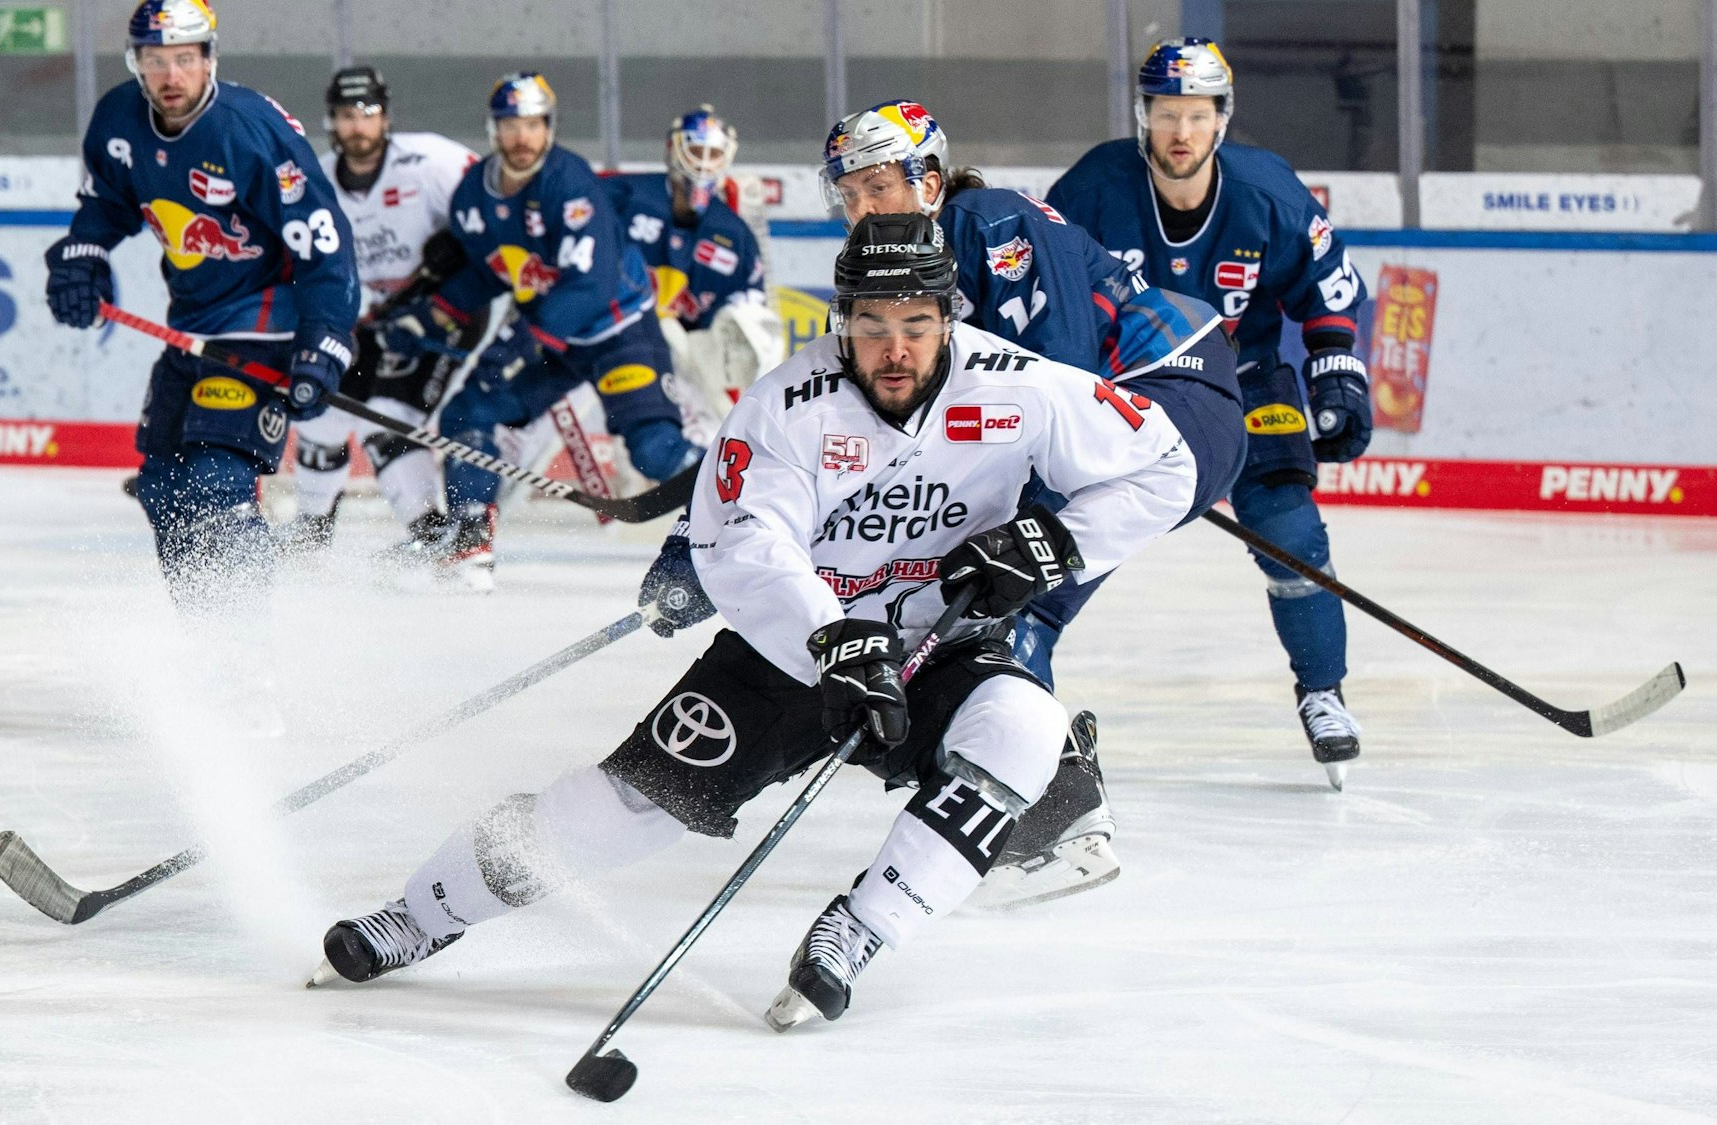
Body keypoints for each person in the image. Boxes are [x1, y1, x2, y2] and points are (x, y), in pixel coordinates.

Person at [307, 216, 1197, 1031]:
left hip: (941, 644)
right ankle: (421, 913)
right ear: (841, 319)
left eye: (917, 325)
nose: (895, 348)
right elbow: (745, 542)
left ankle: (860, 929)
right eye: (872, 324)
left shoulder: (1019, 386)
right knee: (617, 811)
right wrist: (831, 634)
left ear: (949, 317)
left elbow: (1165, 463)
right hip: (793, 653)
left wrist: (1055, 540)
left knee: (1025, 727)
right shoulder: (787, 403)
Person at [640, 99, 1248, 907]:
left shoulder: (983, 222)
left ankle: (1052, 814)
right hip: (1131, 405)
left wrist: (1029, 523)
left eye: (878, 187)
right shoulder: (913, 256)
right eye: (848, 194)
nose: (862, 209)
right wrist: (708, 537)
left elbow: (1054, 383)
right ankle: (1024, 798)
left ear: (928, 179)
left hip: (1171, 394)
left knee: (999, 592)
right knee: (979, 583)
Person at [1046, 38, 1372, 786]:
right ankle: (1006, 688)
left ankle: (1323, 692)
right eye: (1167, 113)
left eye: (1197, 115)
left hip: (1245, 382)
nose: (1181, 132)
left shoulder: (1266, 191)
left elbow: (1325, 282)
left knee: (1292, 533)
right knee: (1053, 545)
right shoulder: (1093, 189)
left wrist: (1336, 370)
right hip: (1126, 396)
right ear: (1143, 116)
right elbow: (1044, 287)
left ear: (1222, 119)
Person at [44, 0, 357, 612]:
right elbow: (107, 203)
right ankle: (206, 636)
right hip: (191, 327)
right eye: (155, 60)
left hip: (264, 323)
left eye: (185, 59)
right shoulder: (118, 118)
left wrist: (325, 338)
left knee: (217, 481)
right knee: (163, 486)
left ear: (210, 58)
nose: (171, 76)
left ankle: (246, 640)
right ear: (136, 62)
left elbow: (324, 244)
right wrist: (82, 256)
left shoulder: (249, 130)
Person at [379, 72, 702, 589]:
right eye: (511, 125)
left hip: (618, 334)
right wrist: (432, 313)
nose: (522, 137)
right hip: (554, 342)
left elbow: (591, 284)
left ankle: (747, 501)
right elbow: (490, 271)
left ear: (549, 128)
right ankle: (469, 542)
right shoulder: (474, 195)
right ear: (494, 129)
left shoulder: (569, 183)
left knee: (655, 450)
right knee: (469, 412)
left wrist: (526, 342)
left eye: (533, 124)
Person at [285, 66, 479, 549]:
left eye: (367, 113)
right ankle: (311, 533)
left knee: (385, 419)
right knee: (321, 412)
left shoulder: (431, 161)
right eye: (346, 114)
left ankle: (433, 538)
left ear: (386, 117)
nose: (358, 126)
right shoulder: (316, 182)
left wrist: (461, 247)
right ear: (331, 121)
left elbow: (497, 208)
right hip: (374, 321)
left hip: (445, 314)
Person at [605, 106, 782, 421]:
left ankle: (758, 418)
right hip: (616, 339)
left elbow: (751, 310)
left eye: (713, 154)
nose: (702, 163)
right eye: (696, 151)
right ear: (672, 149)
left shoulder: (734, 235)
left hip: (694, 363)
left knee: (759, 329)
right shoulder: (627, 198)